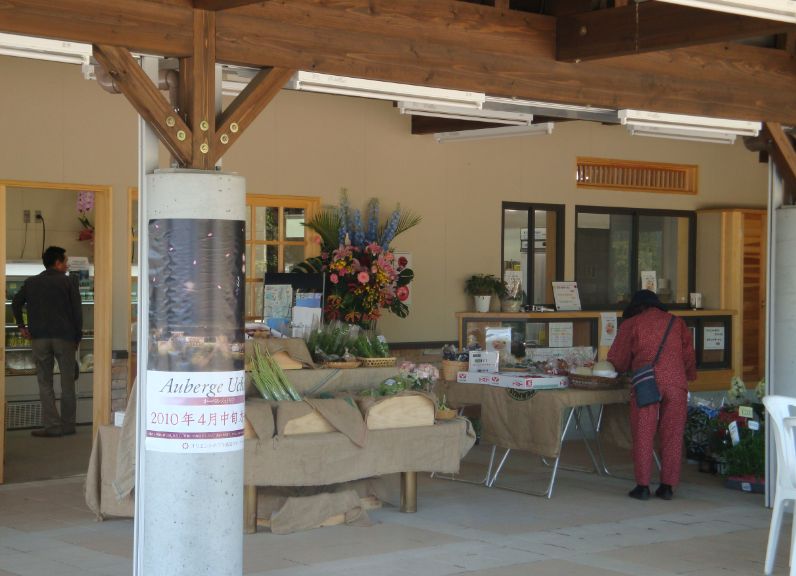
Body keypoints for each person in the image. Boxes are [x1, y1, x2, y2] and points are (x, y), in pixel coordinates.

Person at [608, 289, 696, 501]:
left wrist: (620, 369)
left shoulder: (632, 324)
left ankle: (643, 487)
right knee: (673, 435)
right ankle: (667, 487)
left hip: (646, 382)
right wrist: (687, 376)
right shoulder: (677, 322)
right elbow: (689, 357)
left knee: (643, 432)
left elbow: (618, 360)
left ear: (637, 307)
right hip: (676, 383)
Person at [12, 246, 82, 437]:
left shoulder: (32, 282)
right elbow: (77, 312)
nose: (67, 265)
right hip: (65, 338)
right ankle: (68, 425)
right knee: (68, 383)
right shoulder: (69, 282)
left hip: (39, 338)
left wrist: (21, 326)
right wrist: (77, 337)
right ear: (57, 263)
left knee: (45, 383)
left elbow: (16, 303)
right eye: (65, 262)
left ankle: (52, 426)